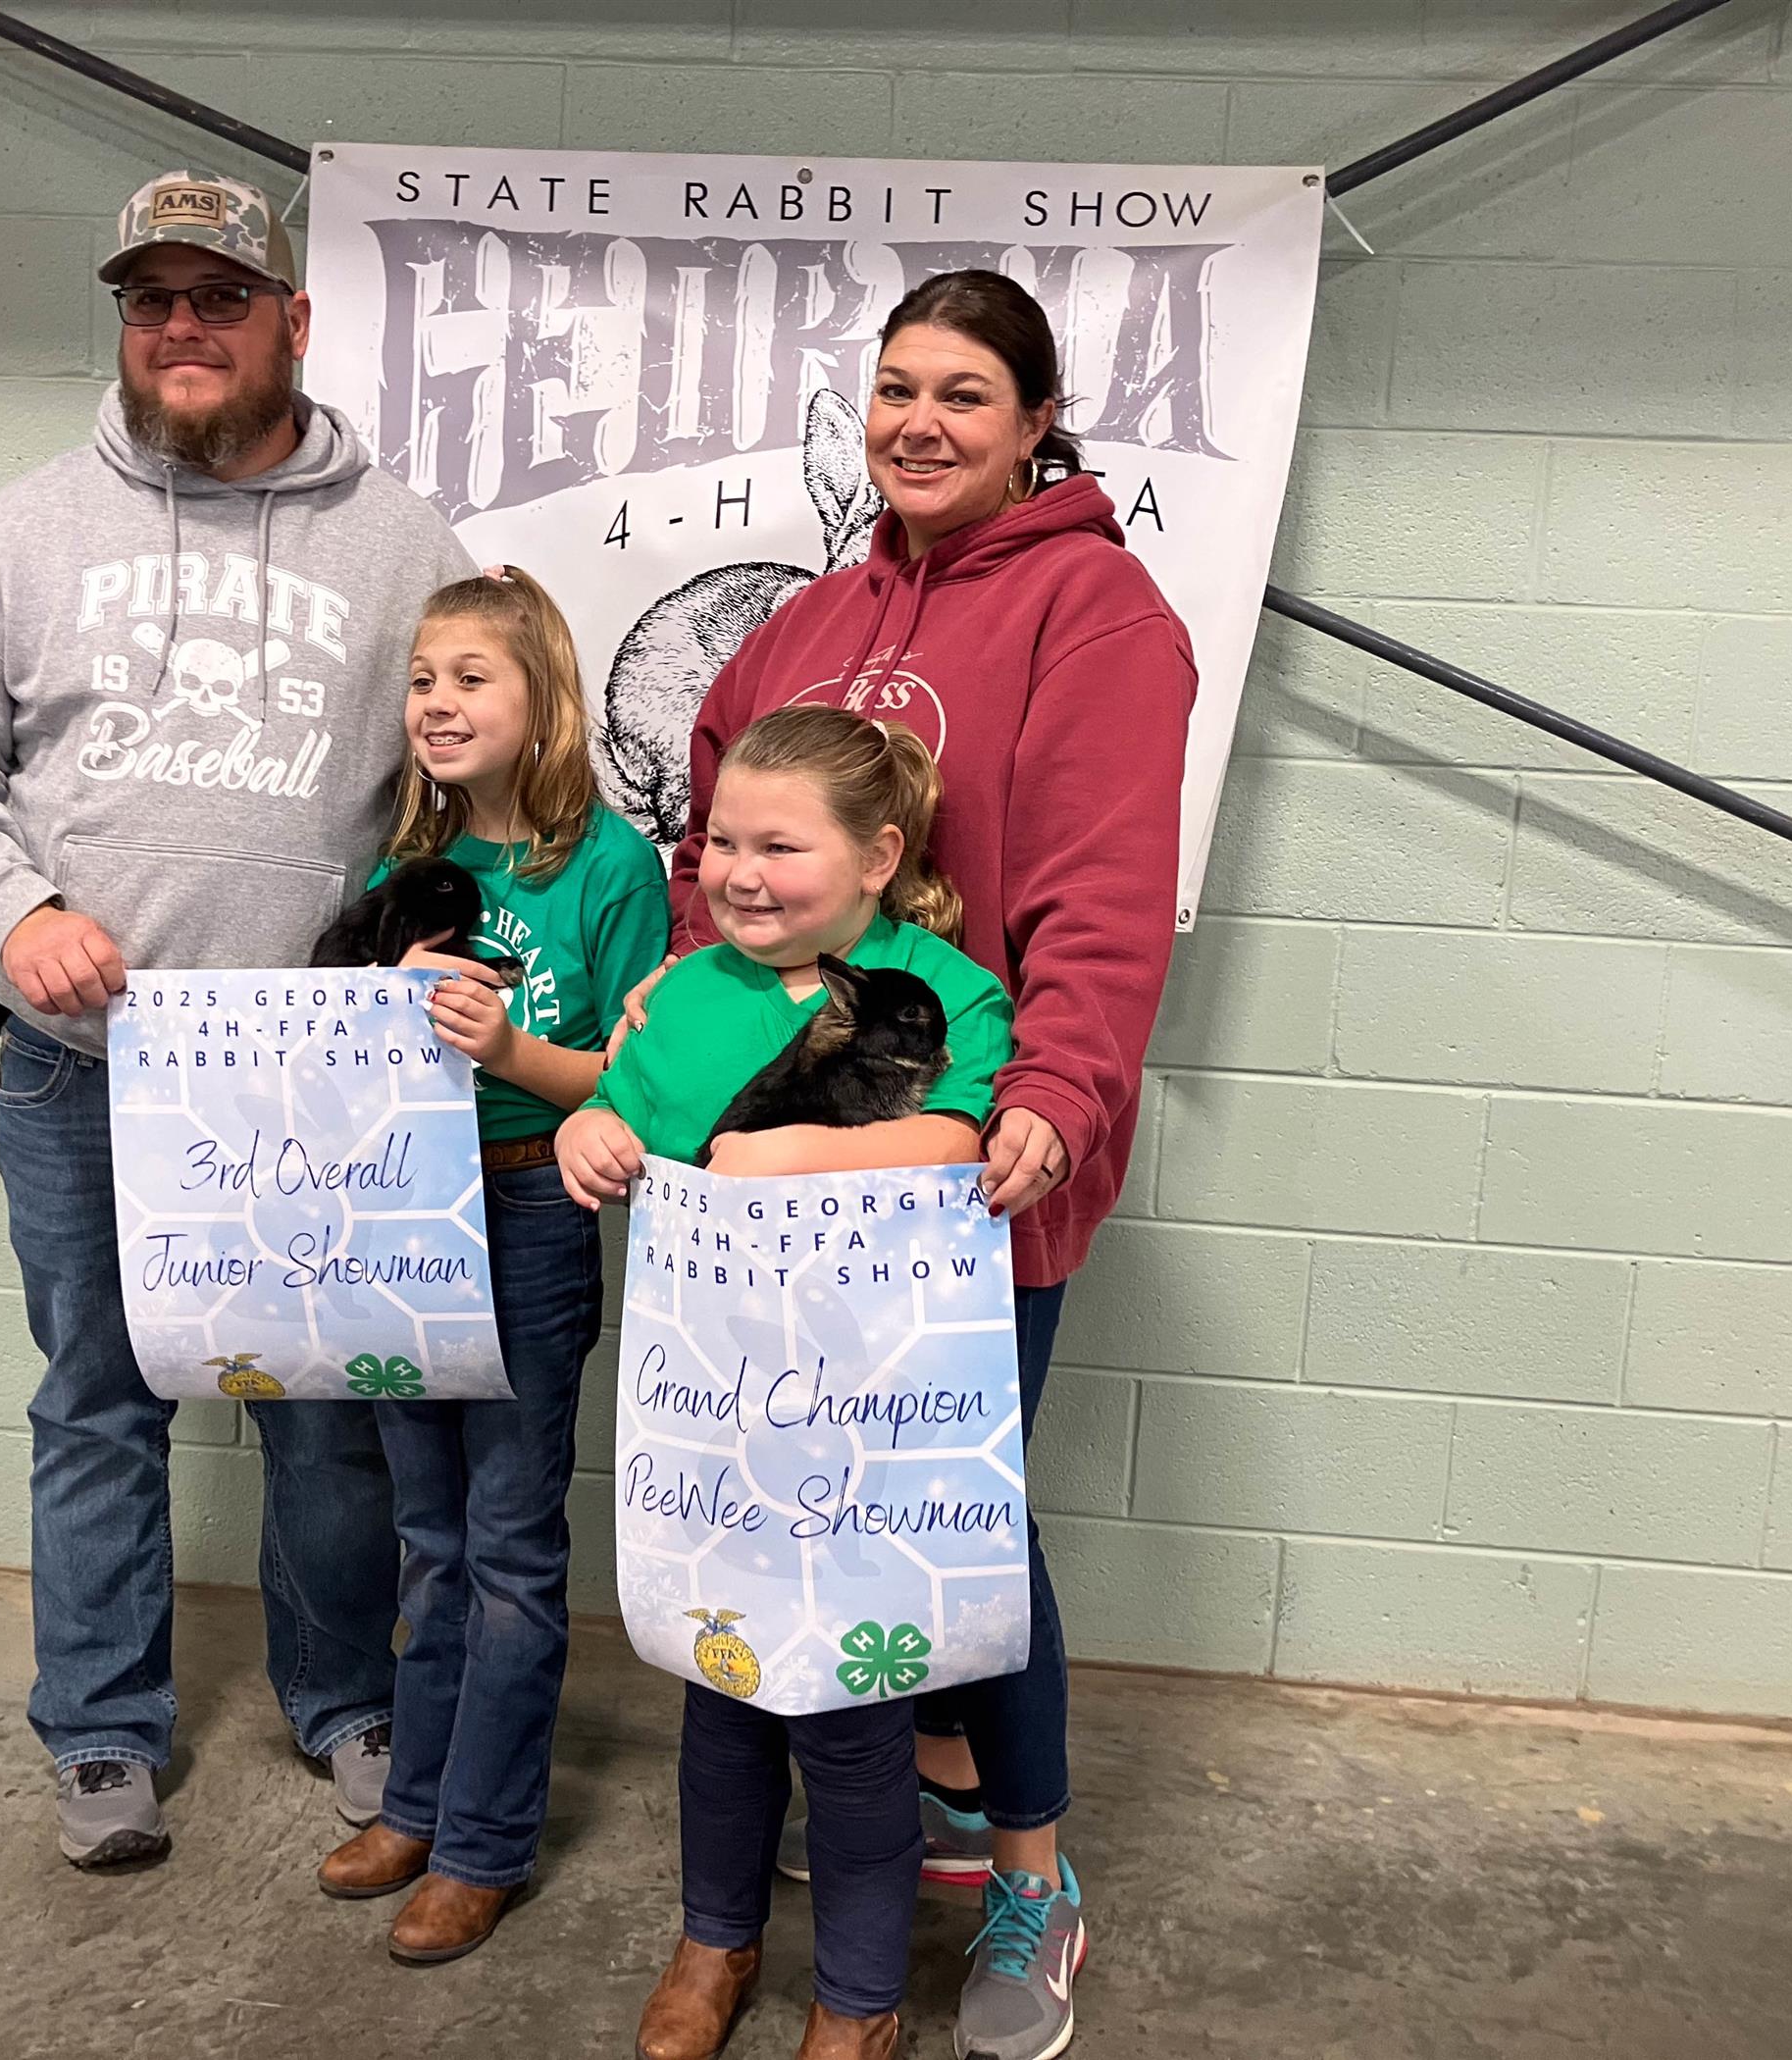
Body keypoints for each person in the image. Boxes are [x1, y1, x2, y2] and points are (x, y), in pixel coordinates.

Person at [0, 171, 477, 1869]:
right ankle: (101, 1728)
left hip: (310, 1083)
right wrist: (18, 913)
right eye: (151, 301)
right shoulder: (23, 533)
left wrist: (434, 942)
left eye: (220, 297)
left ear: (293, 320)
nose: (182, 329)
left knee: (325, 1412)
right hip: (86, 1071)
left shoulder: (405, 546)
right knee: (97, 1404)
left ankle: (347, 1700)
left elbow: (474, 769)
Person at [661, 272, 1199, 2060]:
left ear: (1038, 422)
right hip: (766, 1181)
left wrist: (1062, 1086)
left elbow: (1108, 885)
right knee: (793, 1499)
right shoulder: (811, 618)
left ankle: (1034, 1877)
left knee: (955, 1517)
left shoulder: (1098, 611)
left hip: (974, 1162)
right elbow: (716, 839)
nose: (921, 422)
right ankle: (932, 1799)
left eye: (966, 393)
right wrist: (687, 1006)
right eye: (896, 387)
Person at [563, 706, 1013, 2060]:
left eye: (781, 847)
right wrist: (592, 1129)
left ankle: (860, 2000)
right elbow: (621, 1104)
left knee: (855, 1725)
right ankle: (716, 1938)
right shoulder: (691, 992)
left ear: (879, 857)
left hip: (877, 1427)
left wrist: (794, 1155)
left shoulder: (940, 987)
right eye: (722, 844)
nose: (741, 874)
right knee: (722, 1700)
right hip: (717, 1425)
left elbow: (961, 1132)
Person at [313, 568, 668, 1961]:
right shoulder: (403, 867)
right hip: (409, 1215)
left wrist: (508, 1048)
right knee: (432, 1537)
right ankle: (416, 1802)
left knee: (512, 1546)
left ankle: (485, 1842)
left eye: (472, 678)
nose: (439, 702)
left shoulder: (611, 869)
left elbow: (633, 1087)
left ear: (544, 700)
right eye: (422, 680)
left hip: (528, 1214)